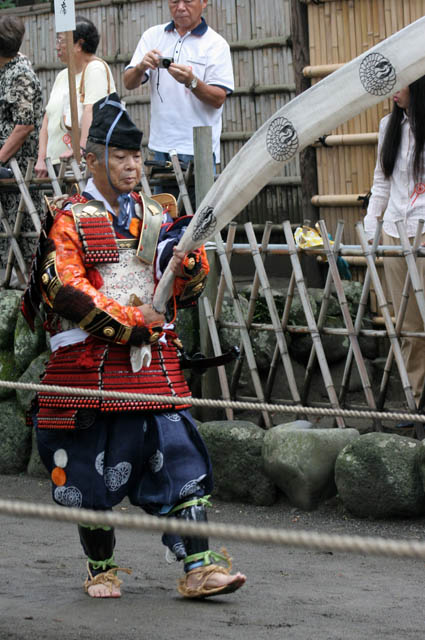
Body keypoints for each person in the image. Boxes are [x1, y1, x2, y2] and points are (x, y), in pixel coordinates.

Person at [22, 93, 246, 600]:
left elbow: (182, 286)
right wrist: (131, 323)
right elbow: (65, 288)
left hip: (153, 367)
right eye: (120, 156)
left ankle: (199, 565)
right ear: (92, 157)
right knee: (88, 471)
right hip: (89, 364)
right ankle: (101, 566)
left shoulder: (154, 214)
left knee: (179, 456)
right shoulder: (71, 218)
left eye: (136, 156)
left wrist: (189, 265)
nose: (131, 166)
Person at [123, 0, 234, 198]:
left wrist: (191, 82)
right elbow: (128, 82)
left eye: (188, 1)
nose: (180, 7)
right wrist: (141, 67)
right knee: (164, 218)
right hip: (160, 147)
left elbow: (218, 98)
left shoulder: (216, 44)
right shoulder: (153, 36)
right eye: (174, 1)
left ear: (204, 2)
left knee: (200, 218)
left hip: (198, 149)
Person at [364, 76, 425, 406]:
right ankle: (415, 398)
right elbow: (381, 182)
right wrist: (371, 228)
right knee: (407, 323)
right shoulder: (389, 125)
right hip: (394, 229)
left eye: (401, 83)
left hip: (423, 226)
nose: (394, 90)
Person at [35, 16, 116, 177]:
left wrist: (81, 148)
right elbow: (47, 118)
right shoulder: (63, 75)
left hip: (81, 164)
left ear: (79, 44)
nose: (57, 47)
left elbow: (91, 110)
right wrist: (41, 158)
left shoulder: (95, 68)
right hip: (55, 163)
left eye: (61, 41)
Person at [0, 15, 43, 268]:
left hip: (16, 167)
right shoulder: (7, 67)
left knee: (22, 232)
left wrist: (1, 157)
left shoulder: (20, 75)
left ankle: (27, 290)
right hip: (7, 165)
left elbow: (24, 125)